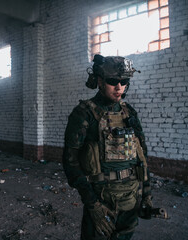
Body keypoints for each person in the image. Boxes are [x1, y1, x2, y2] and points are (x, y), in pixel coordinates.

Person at [62, 54, 153, 240]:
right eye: (113, 81)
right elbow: (70, 162)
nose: (119, 87)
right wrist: (92, 204)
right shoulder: (84, 113)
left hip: (131, 199)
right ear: (99, 81)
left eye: (124, 81)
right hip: (101, 200)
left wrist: (146, 195)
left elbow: (141, 156)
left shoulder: (129, 112)